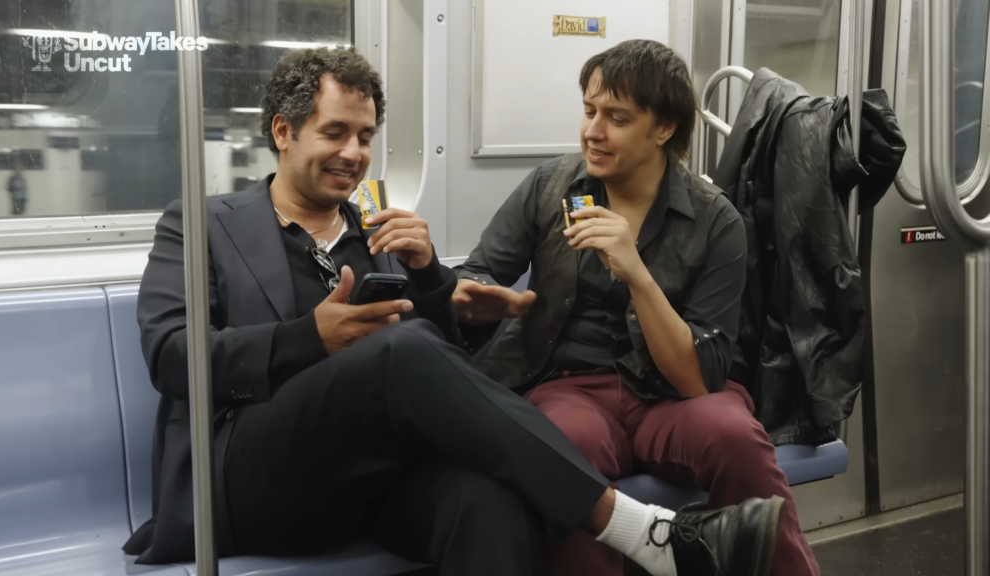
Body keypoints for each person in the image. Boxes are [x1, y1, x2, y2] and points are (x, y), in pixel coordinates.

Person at [123, 47, 785, 576]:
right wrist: (307, 338)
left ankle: (643, 534)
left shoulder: (377, 232)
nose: (354, 154)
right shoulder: (204, 225)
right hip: (246, 474)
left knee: (493, 504)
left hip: (369, 478)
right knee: (398, 352)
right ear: (283, 132)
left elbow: (432, 374)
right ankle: (639, 530)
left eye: (365, 136)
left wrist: (437, 286)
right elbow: (171, 356)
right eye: (335, 133)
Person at [454, 40, 820, 576]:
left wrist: (638, 275)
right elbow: (479, 271)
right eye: (589, 111)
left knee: (735, 436)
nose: (593, 131)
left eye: (617, 119)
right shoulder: (551, 187)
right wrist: (477, 295)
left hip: (669, 395)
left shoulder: (716, 222)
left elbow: (696, 379)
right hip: (569, 386)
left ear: (663, 128)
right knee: (566, 446)